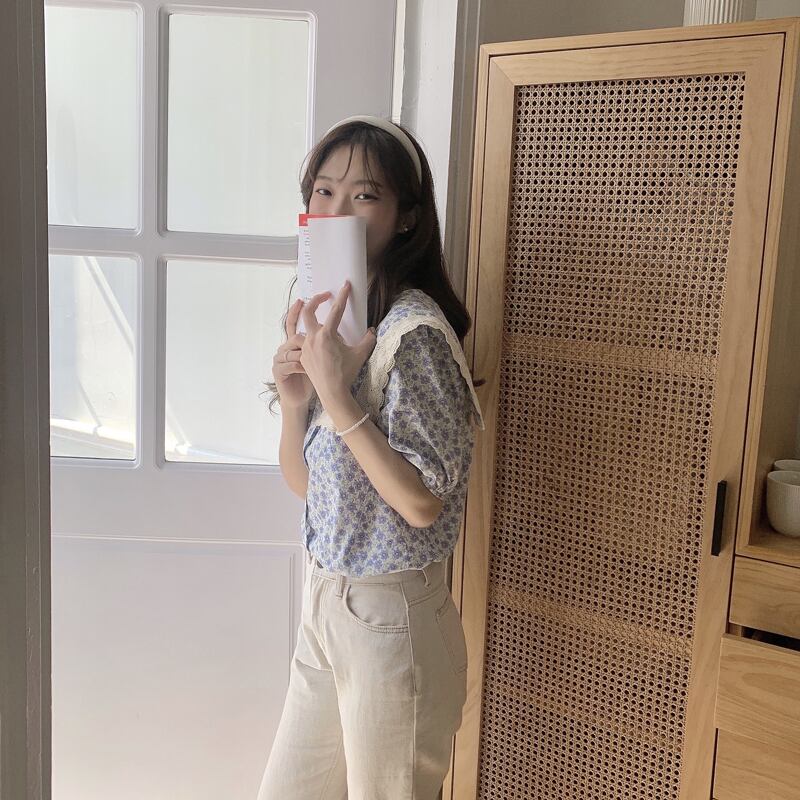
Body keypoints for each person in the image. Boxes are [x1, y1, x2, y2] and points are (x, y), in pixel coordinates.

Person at [256, 115, 485, 800]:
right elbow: (309, 488)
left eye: (364, 195)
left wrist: (336, 393)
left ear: (406, 216)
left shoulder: (414, 335)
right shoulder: (335, 322)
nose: (337, 210)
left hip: (393, 616)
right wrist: (297, 401)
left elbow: (421, 504)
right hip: (326, 602)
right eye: (323, 191)